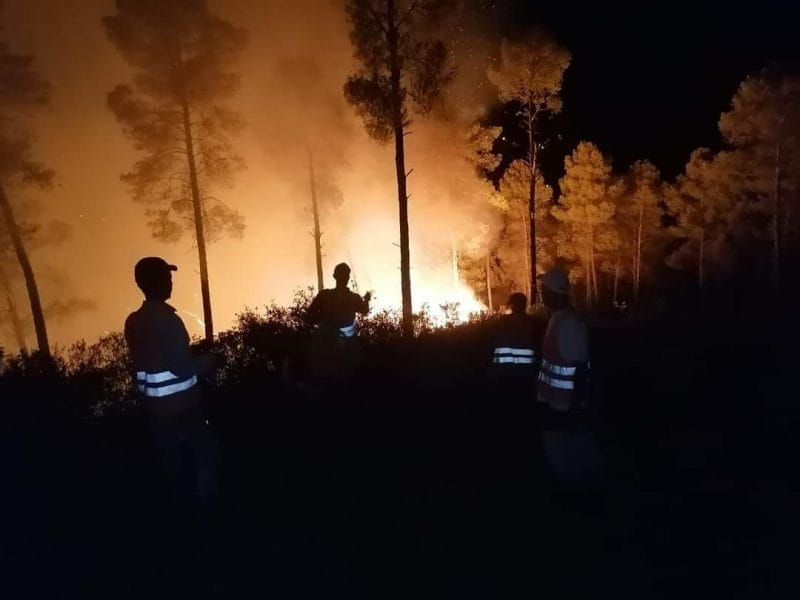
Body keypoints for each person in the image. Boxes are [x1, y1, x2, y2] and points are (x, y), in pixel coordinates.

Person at [124, 257, 218, 531]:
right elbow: (180, 368)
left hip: (154, 412)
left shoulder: (134, 321)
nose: (170, 282)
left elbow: (154, 360)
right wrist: (210, 360)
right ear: (155, 282)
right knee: (205, 458)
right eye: (166, 277)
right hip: (183, 410)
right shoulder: (167, 320)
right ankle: (206, 523)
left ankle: (177, 525)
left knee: (172, 468)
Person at [536, 268, 603, 498]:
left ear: (554, 293)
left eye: (544, 290)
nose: (541, 294)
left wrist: (575, 412)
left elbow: (581, 370)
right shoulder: (559, 319)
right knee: (568, 457)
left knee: (568, 461)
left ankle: (581, 501)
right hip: (558, 407)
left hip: (566, 410)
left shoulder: (568, 324)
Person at [305, 263, 371, 384]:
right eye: (345, 275)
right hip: (344, 347)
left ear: (334, 276)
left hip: (326, 346)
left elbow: (309, 316)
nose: (344, 278)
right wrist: (367, 299)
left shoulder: (324, 295)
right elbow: (365, 311)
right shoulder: (353, 298)